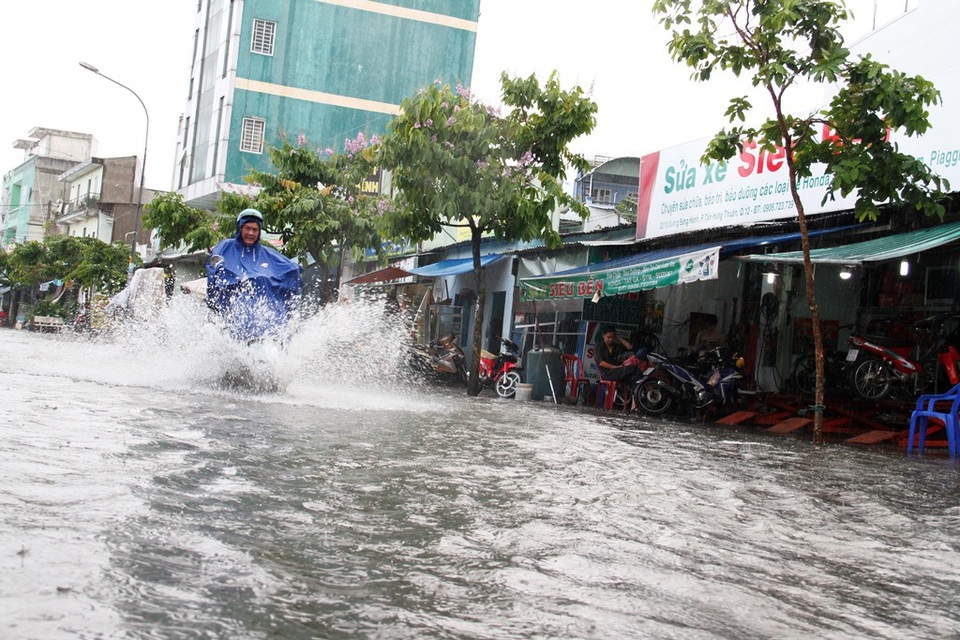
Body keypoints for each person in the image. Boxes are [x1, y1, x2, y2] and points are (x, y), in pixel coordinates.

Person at [206, 208, 303, 342]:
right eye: (247, 228)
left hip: (268, 320)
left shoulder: (268, 253)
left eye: (255, 230)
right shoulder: (226, 246)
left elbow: (292, 270)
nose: (250, 233)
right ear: (240, 228)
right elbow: (214, 267)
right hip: (236, 315)